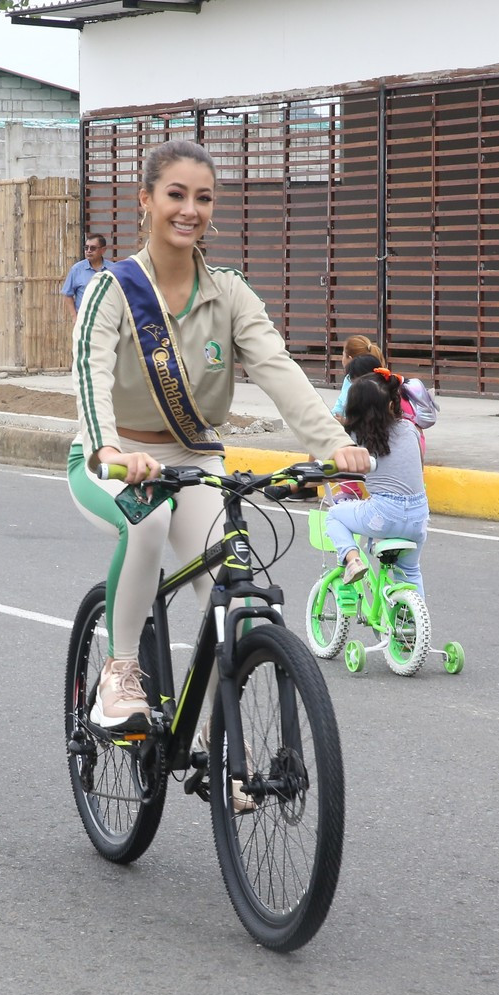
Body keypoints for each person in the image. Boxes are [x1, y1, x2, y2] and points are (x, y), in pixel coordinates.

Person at [69, 139, 368, 730]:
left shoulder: (229, 292)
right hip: (112, 459)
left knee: (231, 590)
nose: (190, 209)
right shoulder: (110, 290)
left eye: (203, 198)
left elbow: (280, 371)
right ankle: (120, 669)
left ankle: (224, 744)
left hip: (190, 453)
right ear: (146, 201)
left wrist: (333, 445)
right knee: (146, 521)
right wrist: (108, 449)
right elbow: (90, 376)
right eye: (175, 194)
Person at [322, 372, 430, 596]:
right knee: (410, 571)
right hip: (419, 516)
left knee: (334, 515)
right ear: (392, 403)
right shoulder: (410, 429)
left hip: (383, 515)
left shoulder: (356, 437)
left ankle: (353, 560)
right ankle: (414, 626)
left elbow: (334, 462)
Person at [61, 233, 113, 316]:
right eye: (86, 248)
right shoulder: (77, 269)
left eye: (92, 248)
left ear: (103, 250)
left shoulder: (113, 269)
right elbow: (67, 294)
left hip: (107, 319)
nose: (88, 251)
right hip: (84, 319)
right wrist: (74, 317)